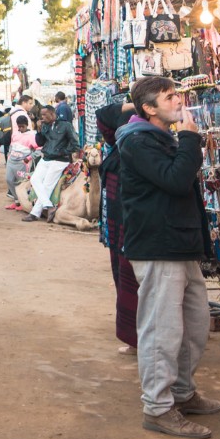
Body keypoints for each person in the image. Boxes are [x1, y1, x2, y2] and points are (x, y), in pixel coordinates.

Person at [116, 76, 220, 439]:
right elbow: (176, 180)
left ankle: (181, 392)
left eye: (177, 95)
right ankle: (158, 408)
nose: (179, 101)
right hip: (158, 244)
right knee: (162, 330)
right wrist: (191, 139)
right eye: (170, 97)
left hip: (177, 244)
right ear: (149, 108)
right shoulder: (137, 141)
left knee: (194, 323)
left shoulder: (158, 137)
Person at [95, 100, 138, 354]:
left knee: (134, 287)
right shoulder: (117, 151)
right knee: (125, 285)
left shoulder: (130, 154)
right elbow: (103, 117)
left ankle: (140, 342)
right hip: (118, 234)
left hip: (130, 235)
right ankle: (135, 341)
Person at [30, 105, 81, 219]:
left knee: (47, 184)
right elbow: (39, 143)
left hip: (60, 160)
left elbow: (75, 144)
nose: (42, 117)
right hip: (46, 158)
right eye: (41, 115)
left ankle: (34, 213)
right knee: (34, 179)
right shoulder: (44, 126)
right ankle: (49, 206)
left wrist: (62, 152)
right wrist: (38, 130)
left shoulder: (65, 125)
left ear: (52, 114)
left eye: (44, 114)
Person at [5, 110, 38, 209]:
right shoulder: (15, 134)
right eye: (19, 126)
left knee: (21, 183)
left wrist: (29, 158)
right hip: (11, 162)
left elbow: (39, 150)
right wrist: (9, 155)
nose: (20, 128)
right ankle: (17, 201)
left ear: (27, 125)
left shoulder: (32, 135)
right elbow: (11, 145)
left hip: (22, 163)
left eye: (22, 126)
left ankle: (24, 203)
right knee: (9, 180)